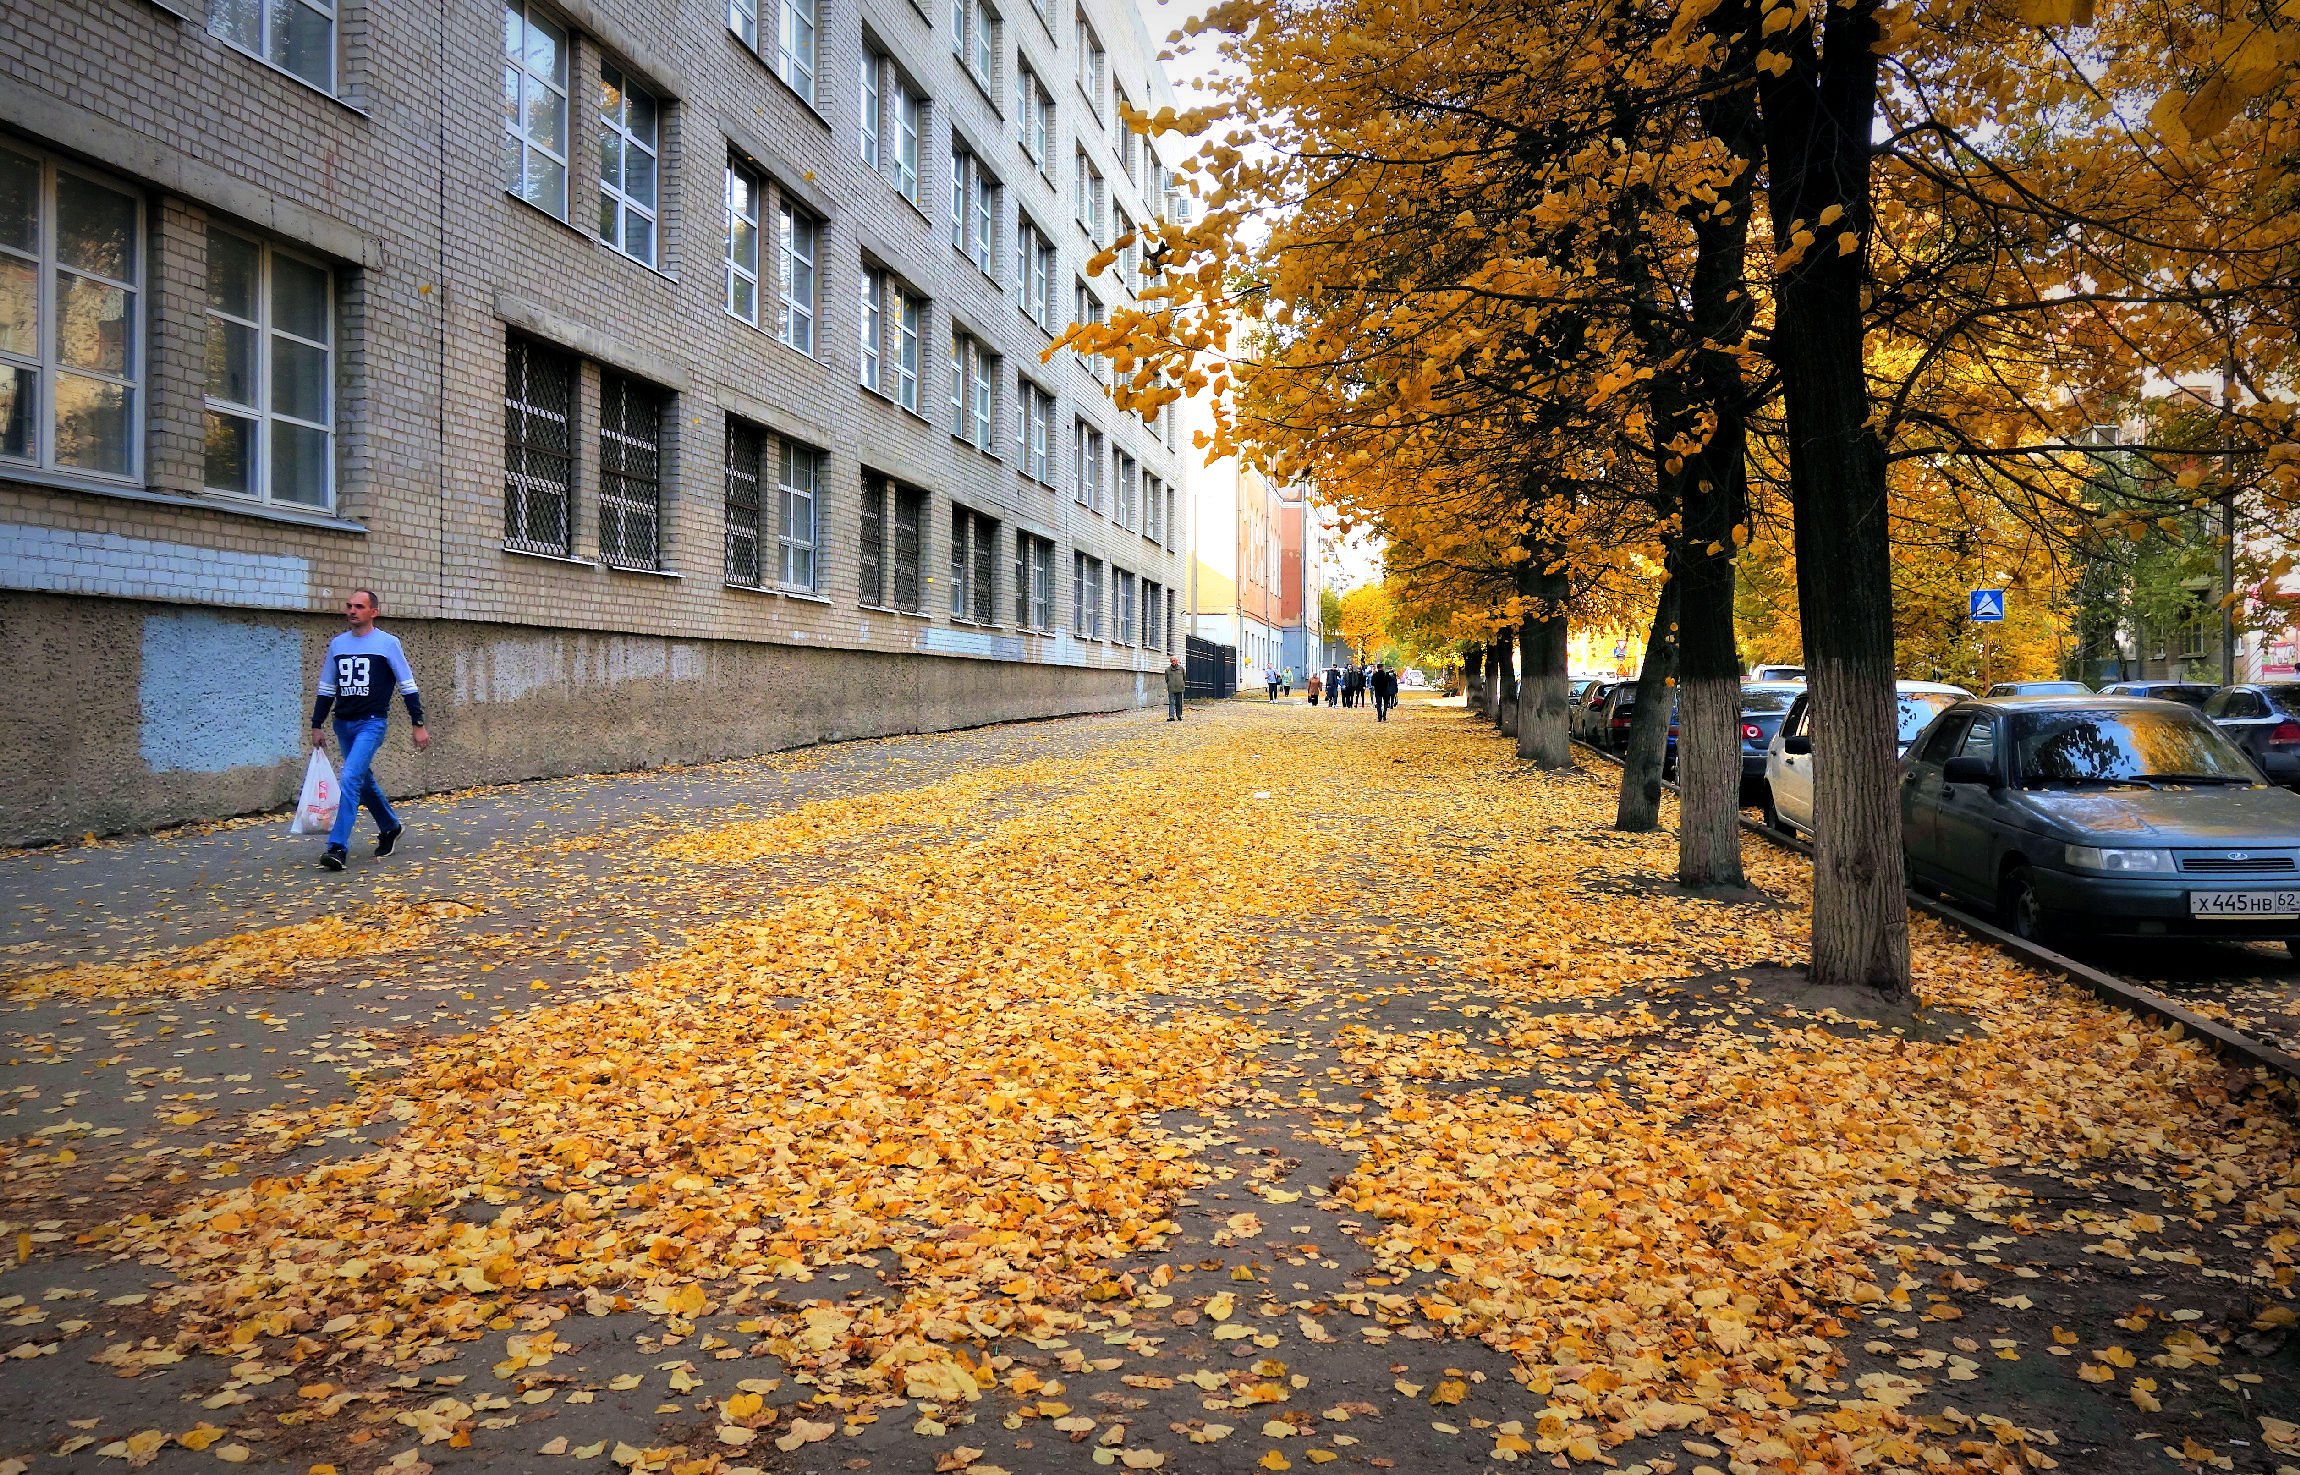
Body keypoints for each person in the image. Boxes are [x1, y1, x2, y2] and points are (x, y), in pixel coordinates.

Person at [310, 589, 429, 870]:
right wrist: (317, 724)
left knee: (350, 778)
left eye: (359, 606)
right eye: (349, 606)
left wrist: (418, 723)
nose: (352, 611)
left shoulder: (388, 644)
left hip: (372, 723)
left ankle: (337, 847)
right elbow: (327, 687)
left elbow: (407, 685)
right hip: (343, 724)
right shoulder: (337, 645)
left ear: (373, 611)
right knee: (363, 781)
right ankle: (390, 826)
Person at [1164, 655, 1187, 720]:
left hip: (1180, 688)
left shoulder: (1181, 669)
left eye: (1174, 660)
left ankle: (1179, 715)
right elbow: (1166, 679)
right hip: (1171, 688)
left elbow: (1184, 678)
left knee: (1179, 703)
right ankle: (1171, 716)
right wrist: (1169, 684)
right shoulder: (1167, 670)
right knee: (1171, 702)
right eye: (1172, 661)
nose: (1173, 662)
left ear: (1177, 661)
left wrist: (1182, 684)